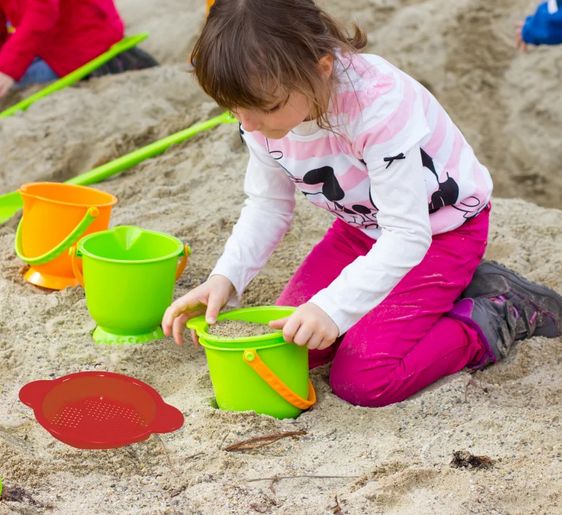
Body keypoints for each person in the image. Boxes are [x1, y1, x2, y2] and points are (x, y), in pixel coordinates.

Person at [162, 0, 562, 408]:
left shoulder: (377, 105)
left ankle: (495, 313)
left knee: (364, 380)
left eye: (266, 108)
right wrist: (225, 278)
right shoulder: (261, 109)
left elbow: (407, 235)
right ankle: (450, 291)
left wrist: (332, 308)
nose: (248, 125)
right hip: (362, 230)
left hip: (441, 234)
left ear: (322, 68)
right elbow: (267, 204)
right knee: (291, 344)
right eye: (233, 109)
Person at [0, 0, 158, 98]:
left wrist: (7, 69)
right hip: (50, 42)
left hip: (83, 41)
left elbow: (41, 14)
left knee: (16, 85)